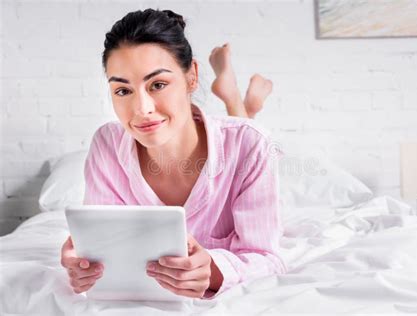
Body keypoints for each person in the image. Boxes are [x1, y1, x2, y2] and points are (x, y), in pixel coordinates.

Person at [60, 8, 285, 299]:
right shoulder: (107, 144)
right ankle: (238, 101)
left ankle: (237, 101)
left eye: (158, 85)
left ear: (192, 77)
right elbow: (102, 243)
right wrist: (84, 261)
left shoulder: (250, 144)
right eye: (123, 91)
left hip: (246, 147)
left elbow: (268, 257)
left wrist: (214, 270)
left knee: (248, 133)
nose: (142, 109)